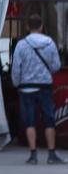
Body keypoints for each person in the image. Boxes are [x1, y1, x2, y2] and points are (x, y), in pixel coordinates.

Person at [10, 14, 63, 164]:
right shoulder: (49, 43)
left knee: (30, 121)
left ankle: (33, 155)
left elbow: (16, 69)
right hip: (45, 87)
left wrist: (16, 83)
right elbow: (56, 65)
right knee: (49, 120)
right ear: (41, 26)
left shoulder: (21, 44)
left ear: (27, 27)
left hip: (26, 88)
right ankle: (51, 154)